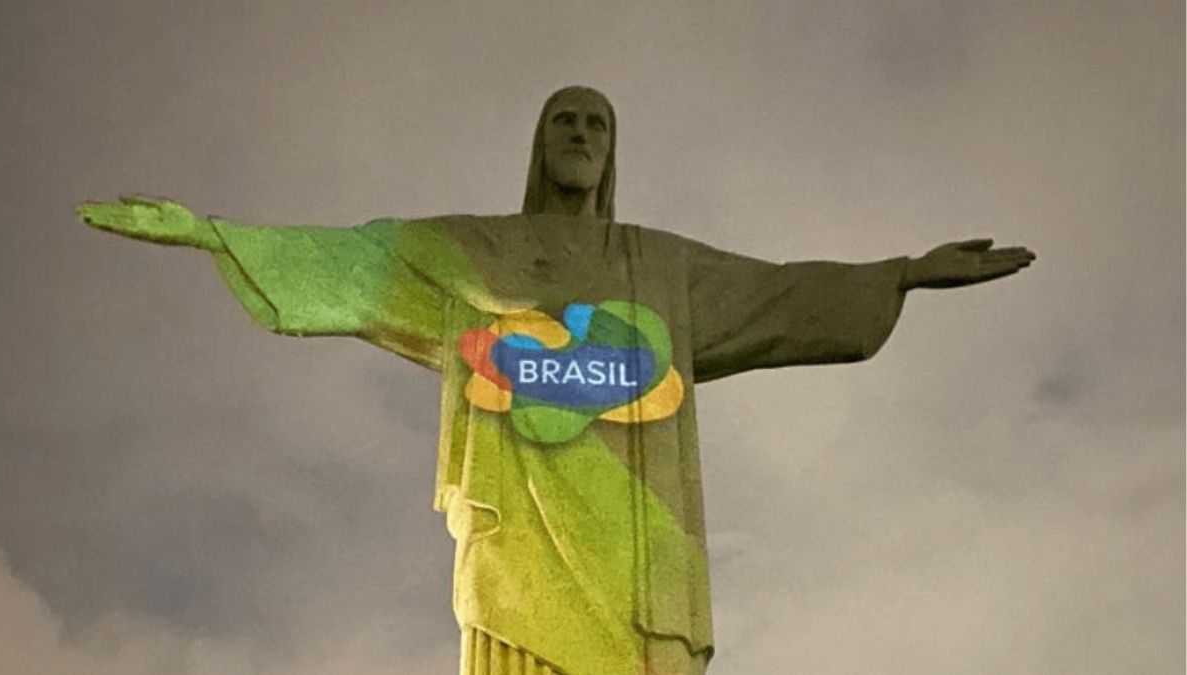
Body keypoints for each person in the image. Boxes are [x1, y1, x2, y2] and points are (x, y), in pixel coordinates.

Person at [78, 85, 1035, 675]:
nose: (580, 134)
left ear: (612, 153)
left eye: (596, 124)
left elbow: (776, 292)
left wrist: (901, 272)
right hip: (521, 529)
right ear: (539, 145)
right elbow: (358, 262)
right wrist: (211, 232)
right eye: (564, 120)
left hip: (633, 541)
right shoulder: (475, 251)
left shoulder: (660, 268)